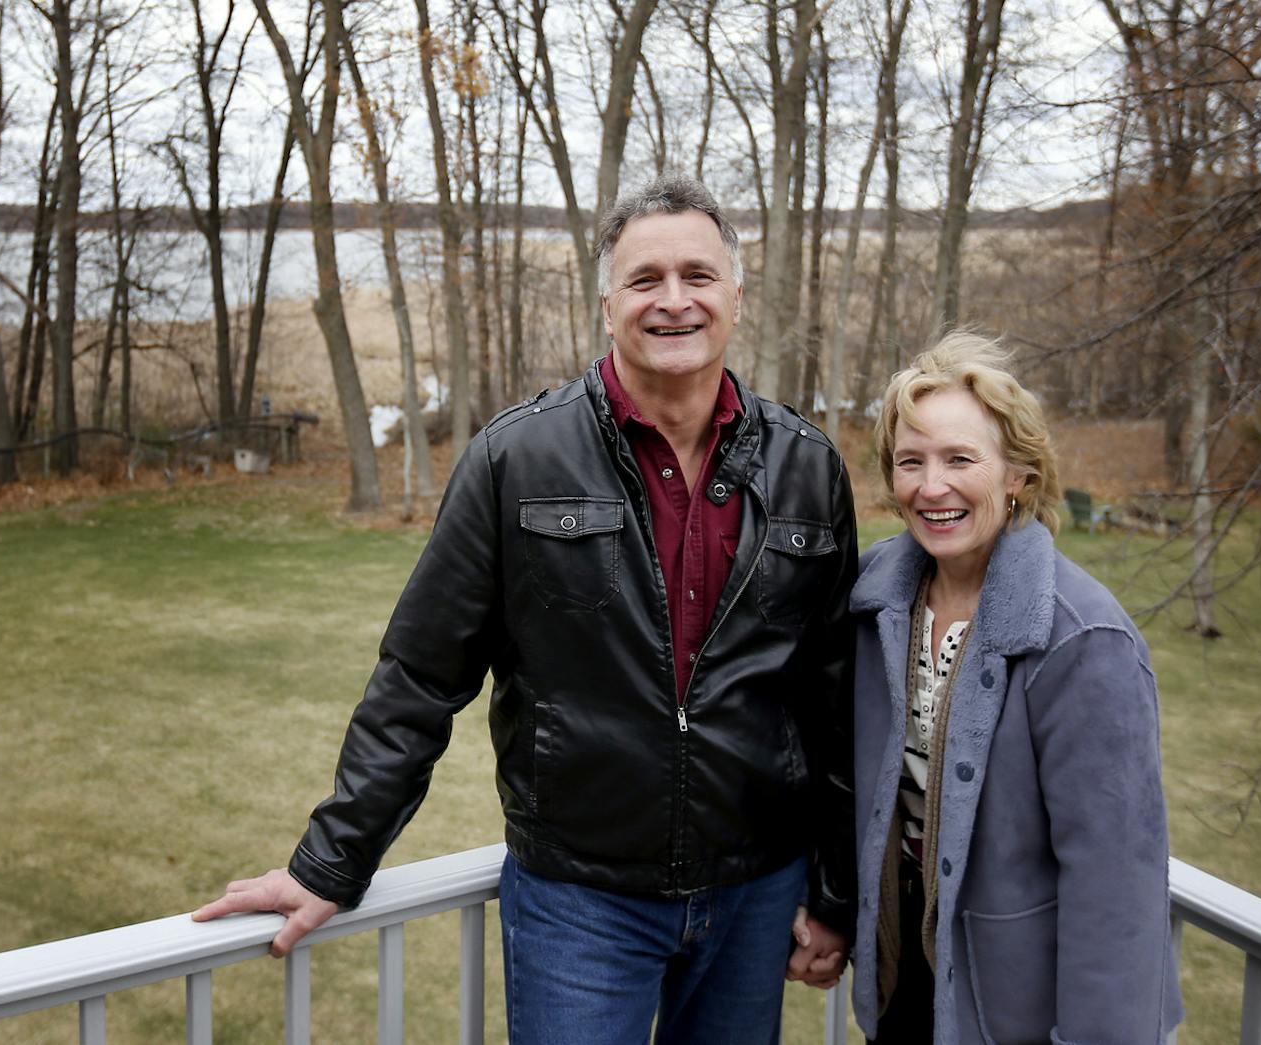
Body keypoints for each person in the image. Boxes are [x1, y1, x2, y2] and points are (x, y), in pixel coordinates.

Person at [195, 174, 861, 1042]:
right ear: (606, 304)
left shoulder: (808, 467)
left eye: (698, 275)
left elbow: (838, 697)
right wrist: (333, 859)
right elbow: (420, 674)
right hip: (582, 904)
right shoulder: (517, 460)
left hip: (755, 893)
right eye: (644, 279)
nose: (673, 301)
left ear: (736, 294)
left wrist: (835, 889)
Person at [846, 333, 1183, 1043]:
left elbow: (1116, 885)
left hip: (1014, 1010)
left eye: (960, 459)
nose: (931, 486)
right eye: (911, 461)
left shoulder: (1083, 641)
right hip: (902, 979)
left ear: (1018, 475)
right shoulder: (875, 604)